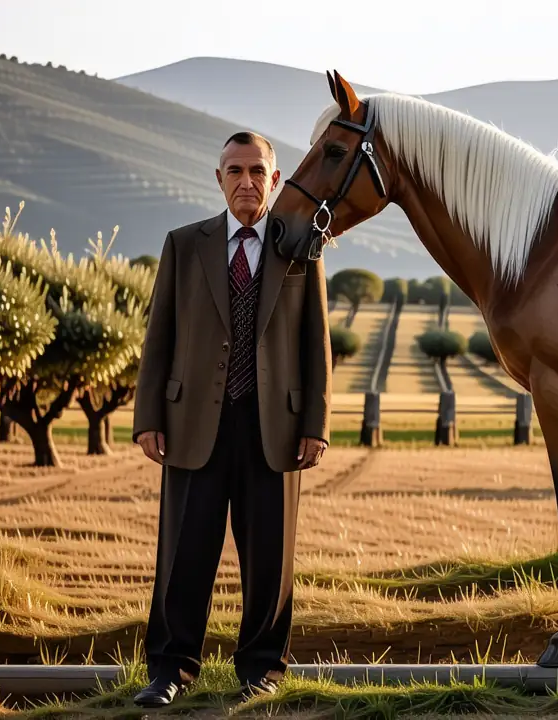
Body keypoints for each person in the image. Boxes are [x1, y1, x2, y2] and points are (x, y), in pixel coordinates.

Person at [129, 130, 332, 706]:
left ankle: (262, 670)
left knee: (270, 557)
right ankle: (170, 670)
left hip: (275, 428)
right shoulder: (183, 244)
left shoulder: (302, 247)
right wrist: (148, 415)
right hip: (193, 423)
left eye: (257, 171)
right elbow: (159, 335)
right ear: (218, 179)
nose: (246, 181)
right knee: (184, 553)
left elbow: (316, 343)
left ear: (275, 179)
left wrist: (314, 424)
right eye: (235, 171)